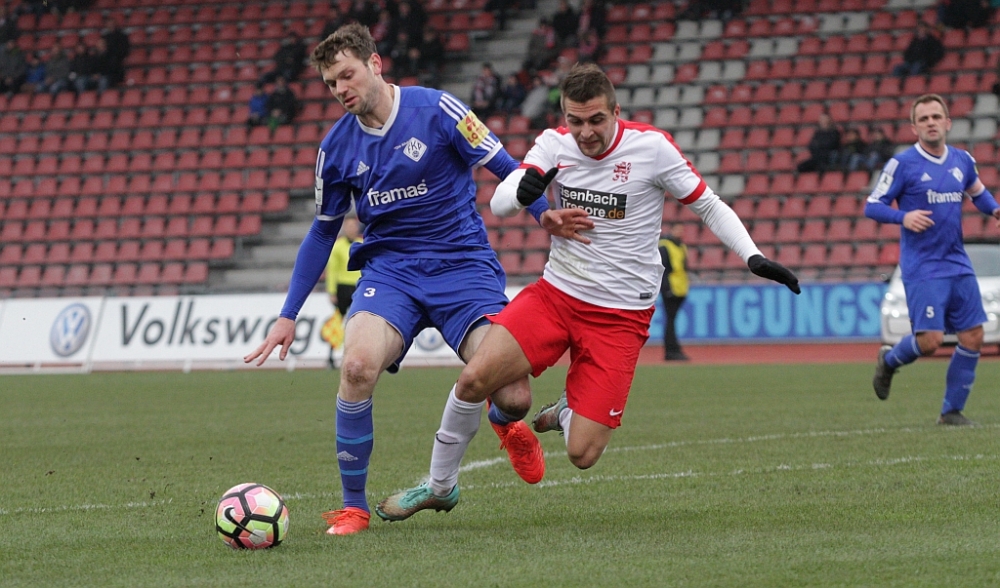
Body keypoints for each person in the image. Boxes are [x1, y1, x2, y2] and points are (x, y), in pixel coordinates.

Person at [375, 62, 801, 522]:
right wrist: (523, 193)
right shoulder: (554, 145)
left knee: (582, 454)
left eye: (596, 120)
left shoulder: (652, 149)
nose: (586, 132)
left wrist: (752, 256)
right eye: (575, 120)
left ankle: (566, 413)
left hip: (620, 316)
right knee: (474, 379)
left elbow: (709, 205)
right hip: (556, 296)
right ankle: (440, 486)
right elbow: (500, 203)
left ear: (616, 112)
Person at [243, 23, 555, 536]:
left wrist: (547, 217)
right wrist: (287, 315)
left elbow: (508, 169)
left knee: (515, 397)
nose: (341, 89)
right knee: (356, 367)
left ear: (375, 64)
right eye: (331, 83)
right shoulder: (335, 149)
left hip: (462, 267)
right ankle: (353, 508)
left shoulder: (439, 110)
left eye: (347, 75)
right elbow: (321, 233)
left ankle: (505, 422)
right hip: (391, 274)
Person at [866, 93, 1000, 426]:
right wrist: (904, 217)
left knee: (973, 335)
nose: (931, 123)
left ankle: (951, 412)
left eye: (936, 117)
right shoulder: (902, 164)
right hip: (923, 266)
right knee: (930, 342)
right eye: (923, 119)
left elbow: (978, 193)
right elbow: (873, 205)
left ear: (948, 123)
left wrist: (995, 209)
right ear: (914, 127)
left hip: (957, 261)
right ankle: (889, 361)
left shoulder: (962, 160)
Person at [324, 216, 363, 367]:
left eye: (354, 226)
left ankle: (357, 356)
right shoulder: (338, 246)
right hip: (342, 287)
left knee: (359, 322)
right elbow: (332, 270)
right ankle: (330, 356)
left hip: (359, 286)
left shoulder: (362, 243)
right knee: (337, 323)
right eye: (349, 226)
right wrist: (332, 291)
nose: (351, 228)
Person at [659, 224, 689, 361]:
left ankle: (673, 349)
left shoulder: (681, 246)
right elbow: (663, 270)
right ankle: (671, 350)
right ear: (671, 230)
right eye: (678, 229)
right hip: (670, 288)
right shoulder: (664, 246)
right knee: (670, 320)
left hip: (680, 288)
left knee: (672, 319)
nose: (680, 232)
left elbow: (684, 268)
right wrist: (666, 288)